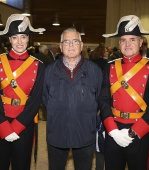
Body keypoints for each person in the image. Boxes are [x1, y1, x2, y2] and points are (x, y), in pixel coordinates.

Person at [98, 15, 149, 170]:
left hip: (140, 131)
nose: (127, 44)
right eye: (123, 40)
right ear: (119, 43)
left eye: (132, 39)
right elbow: (103, 99)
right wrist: (113, 130)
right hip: (114, 130)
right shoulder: (110, 66)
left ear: (141, 42)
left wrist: (133, 133)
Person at [43, 27, 103, 170]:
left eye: (75, 41)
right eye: (66, 41)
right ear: (61, 46)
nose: (70, 45)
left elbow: (99, 100)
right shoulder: (49, 71)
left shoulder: (95, 71)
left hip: (84, 134)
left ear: (81, 46)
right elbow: (45, 99)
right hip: (56, 133)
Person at [0, 14, 45, 170]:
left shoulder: (38, 65)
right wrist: (4, 126)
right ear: (9, 39)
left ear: (28, 39)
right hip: (0, 122)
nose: (19, 42)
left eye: (23, 36)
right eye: (15, 37)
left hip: (24, 125)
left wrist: (17, 127)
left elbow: (36, 100)